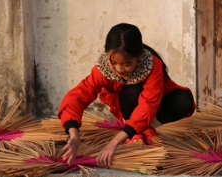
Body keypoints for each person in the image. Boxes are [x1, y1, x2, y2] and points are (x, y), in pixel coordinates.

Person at [58, 23, 195, 167]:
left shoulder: (152, 64)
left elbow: (148, 104)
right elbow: (77, 97)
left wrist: (115, 142)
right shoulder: (102, 69)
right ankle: (135, 133)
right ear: (107, 55)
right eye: (114, 62)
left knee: (183, 100)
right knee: (131, 91)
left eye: (126, 64)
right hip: (126, 108)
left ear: (139, 56)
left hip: (151, 108)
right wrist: (73, 133)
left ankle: (144, 129)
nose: (119, 69)